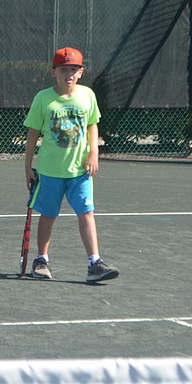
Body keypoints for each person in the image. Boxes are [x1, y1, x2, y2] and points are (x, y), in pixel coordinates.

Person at [23, 47, 119, 282]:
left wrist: (94, 152)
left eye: (74, 69)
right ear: (53, 71)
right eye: (64, 69)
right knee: (47, 215)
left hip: (80, 171)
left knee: (87, 213)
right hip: (49, 170)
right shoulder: (43, 98)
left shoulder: (87, 95)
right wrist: (27, 166)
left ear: (81, 72)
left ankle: (94, 263)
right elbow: (33, 133)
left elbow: (92, 125)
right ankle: (41, 260)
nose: (69, 74)